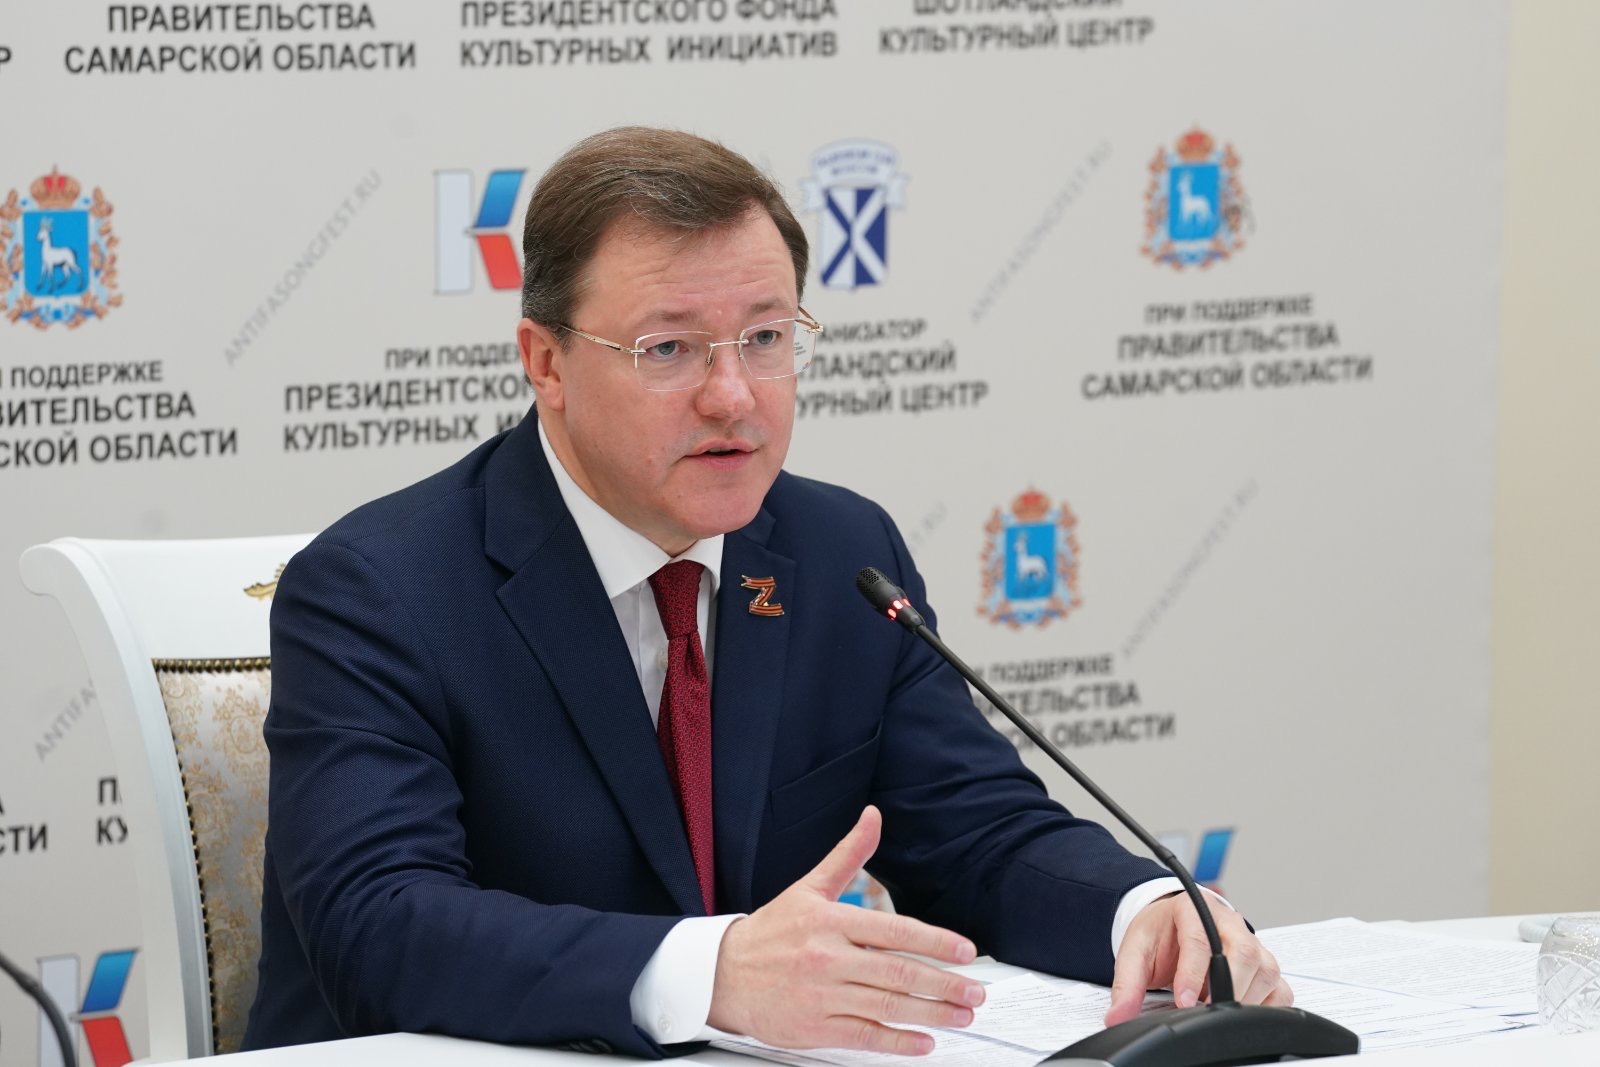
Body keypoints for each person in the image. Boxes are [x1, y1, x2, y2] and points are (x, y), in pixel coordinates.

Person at [242, 127, 1290, 1057]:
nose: (733, 394)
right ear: (546, 363)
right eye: (668, 348)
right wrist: (715, 972)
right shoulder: (380, 589)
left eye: (766, 336)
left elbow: (977, 835)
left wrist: (1141, 908)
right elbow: (377, 924)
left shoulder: (841, 553)